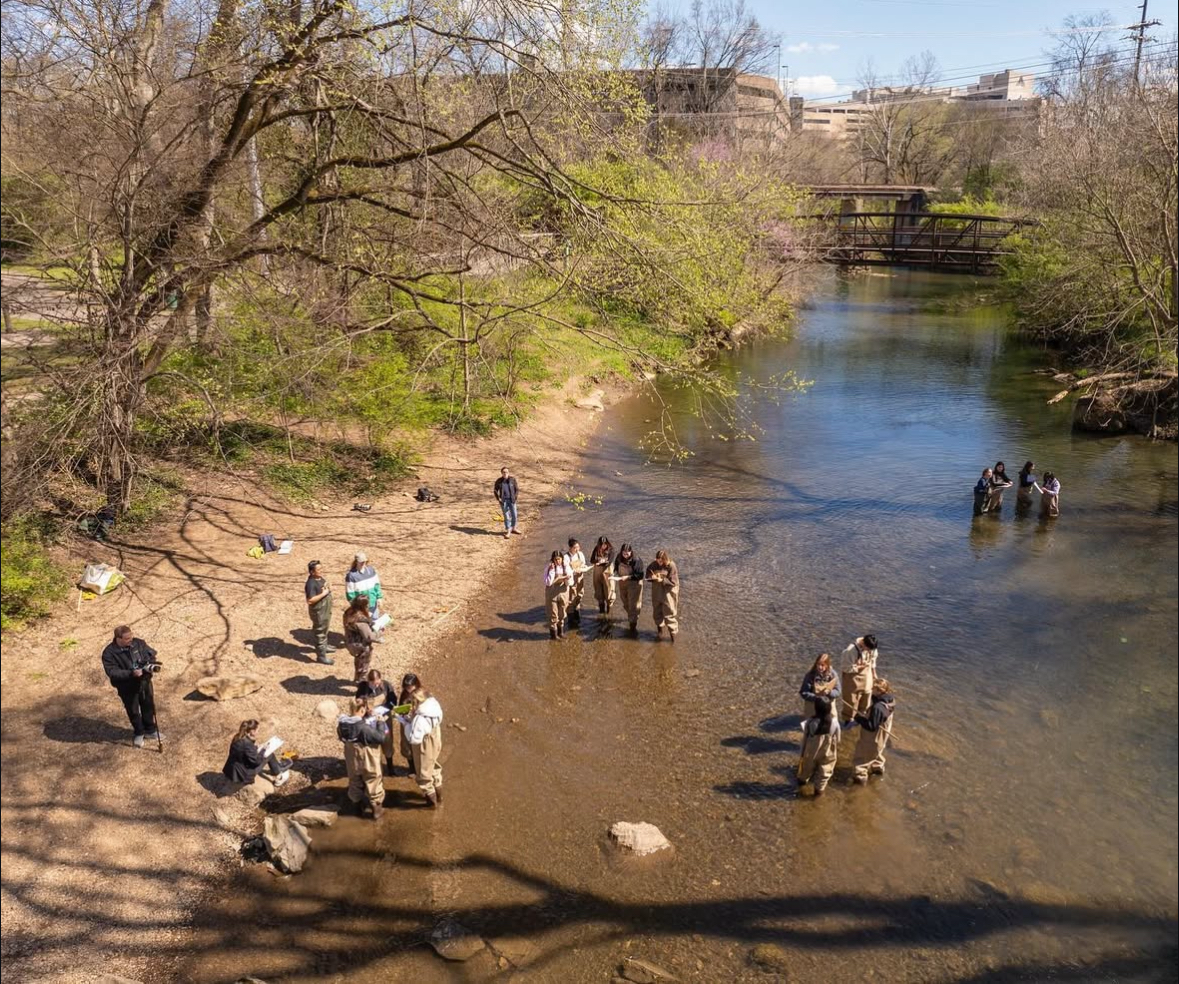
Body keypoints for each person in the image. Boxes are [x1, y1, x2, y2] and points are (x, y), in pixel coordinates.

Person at [101, 626, 163, 748]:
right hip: (127, 687)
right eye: (127, 638)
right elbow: (112, 672)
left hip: (144, 682)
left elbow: (151, 654)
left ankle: (150, 730)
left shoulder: (139, 643)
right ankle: (139, 733)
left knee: (148, 706)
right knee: (133, 710)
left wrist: (149, 663)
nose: (131, 640)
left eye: (131, 636)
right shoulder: (109, 653)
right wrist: (131, 673)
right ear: (118, 638)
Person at [338, 698, 388, 819]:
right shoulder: (363, 728)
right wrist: (380, 723)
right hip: (366, 755)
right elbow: (380, 738)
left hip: (351, 755)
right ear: (362, 709)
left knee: (354, 780)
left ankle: (356, 809)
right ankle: (376, 811)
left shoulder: (342, 724)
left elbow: (341, 737)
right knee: (373, 779)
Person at [396, 686, 445, 808]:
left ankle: (432, 804)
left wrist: (406, 722)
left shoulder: (420, 719)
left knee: (423, 775)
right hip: (435, 739)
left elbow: (413, 738)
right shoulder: (434, 705)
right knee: (434, 766)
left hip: (424, 745)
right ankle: (440, 797)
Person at [222, 719, 290, 787]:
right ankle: (277, 771)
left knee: (264, 753)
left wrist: (255, 748)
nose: (258, 732)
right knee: (270, 754)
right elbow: (257, 761)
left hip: (231, 769)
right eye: (257, 730)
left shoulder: (237, 737)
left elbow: (243, 751)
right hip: (244, 775)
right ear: (252, 731)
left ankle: (276, 768)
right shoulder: (247, 744)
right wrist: (263, 750)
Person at [852, 678, 895, 783]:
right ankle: (877, 769)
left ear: (879, 691)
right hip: (884, 732)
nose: (872, 690)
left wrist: (859, 718)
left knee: (863, 756)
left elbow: (871, 726)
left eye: (874, 689)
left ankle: (860, 778)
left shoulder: (878, 707)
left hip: (873, 735)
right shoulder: (890, 700)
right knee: (877, 751)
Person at [797, 696, 841, 797]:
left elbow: (805, 739)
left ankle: (803, 781)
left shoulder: (810, 722)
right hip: (828, 749)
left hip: (812, 748)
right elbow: (838, 738)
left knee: (807, 766)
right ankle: (819, 791)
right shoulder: (834, 722)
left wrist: (802, 753)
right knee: (826, 769)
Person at [356, 669, 396, 773]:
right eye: (373, 683)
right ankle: (376, 768)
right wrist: (366, 710)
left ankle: (390, 768)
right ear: (368, 681)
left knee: (387, 742)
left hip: (384, 718)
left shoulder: (386, 685)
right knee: (372, 744)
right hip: (369, 721)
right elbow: (358, 703)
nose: (375, 685)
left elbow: (393, 702)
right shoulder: (363, 688)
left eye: (377, 682)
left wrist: (383, 709)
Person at [840, 634, 878, 725]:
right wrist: (860, 667)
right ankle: (848, 721)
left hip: (867, 678)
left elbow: (873, 661)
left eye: (870, 650)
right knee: (850, 702)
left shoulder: (872, 648)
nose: (869, 651)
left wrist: (874, 674)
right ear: (863, 643)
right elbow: (845, 668)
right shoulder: (850, 651)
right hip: (852, 679)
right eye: (868, 649)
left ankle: (861, 719)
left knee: (866, 700)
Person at [345, 552, 385, 640]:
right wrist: (356, 606)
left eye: (364, 561)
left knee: (374, 619)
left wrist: (379, 597)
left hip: (372, 602)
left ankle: (376, 636)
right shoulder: (351, 576)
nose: (363, 563)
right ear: (356, 562)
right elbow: (350, 593)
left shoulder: (371, 570)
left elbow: (377, 585)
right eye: (361, 562)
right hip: (361, 606)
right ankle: (363, 637)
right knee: (363, 622)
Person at [645, 550, 680, 641]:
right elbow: (648, 573)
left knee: (669, 613)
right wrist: (651, 577)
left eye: (661, 561)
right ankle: (660, 632)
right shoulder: (654, 564)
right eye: (657, 560)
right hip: (657, 591)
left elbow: (674, 582)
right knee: (657, 611)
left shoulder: (671, 566)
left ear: (665, 559)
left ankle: (673, 637)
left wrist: (663, 580)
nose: (659, 562)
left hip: (668, 592)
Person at [305, 560, 334, 665]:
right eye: (319, 569)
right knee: (320, 631)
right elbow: (310, 600)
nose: (321, 571)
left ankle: (324, 646)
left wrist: (327, 587)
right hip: (319, 612)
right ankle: (321, 656)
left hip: (324, 609)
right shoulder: (311, 584)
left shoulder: (319, 578)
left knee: (325, 628)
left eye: (321, 568)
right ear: (312, 572)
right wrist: (324, 593)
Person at [342, 596, 376, 681]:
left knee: (358, 661)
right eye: (367, 605)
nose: (368, 606)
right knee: (364, 665)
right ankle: (361, 685)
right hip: (360, 645)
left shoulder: (349, 612)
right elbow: (369, 636)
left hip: (350, 641)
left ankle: (357, 678)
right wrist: (379, 633)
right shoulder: (360, 620)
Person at [613, 543, 644, 633]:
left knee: (633, 604)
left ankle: (632, 627)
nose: (626, 555)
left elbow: (640, 575)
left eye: (627, 553)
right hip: (622, 582)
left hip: (634, 583)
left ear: (631, 552)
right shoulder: (619, 558)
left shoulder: (636, 560)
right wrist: (613, 574)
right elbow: (616, 567)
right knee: (624, 601)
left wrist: (628, 577)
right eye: (624, 553)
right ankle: (631, 616)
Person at [799, 653, 841, 719]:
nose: (820, 667)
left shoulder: (833, 675)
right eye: (818, 664)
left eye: (822, 665)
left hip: (828, 705)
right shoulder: (810, 675)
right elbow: (803, 692)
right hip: (813, 705)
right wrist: (816, 698)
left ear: (827, 665)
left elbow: (838, 691)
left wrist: (829, 692)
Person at [396, 673, 422, 776]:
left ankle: (419, 769)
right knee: (406, 746)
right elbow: (400, 707)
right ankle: (412, 769)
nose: (409, 689)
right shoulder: (404, 694)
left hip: (417, 723)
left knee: (419, 746)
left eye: (410, 687)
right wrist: (400, 713)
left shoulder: (421, 694)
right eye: (406, 687)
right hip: (406, 723)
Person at [544, 550, 573, 640]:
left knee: (562, 614)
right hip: (552, 593)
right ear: (552, 560)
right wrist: (552, 571)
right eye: (555, 559)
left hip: (563, 592)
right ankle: (553, 635)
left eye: (559, 559)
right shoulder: (548, 568)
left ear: (562, 559)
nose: (557, 561)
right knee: (553, 614)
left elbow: (570, 583)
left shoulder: (566, 567)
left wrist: (566, 578)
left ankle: (561, 633)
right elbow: (548, 582)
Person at [565, 538, 588, 627]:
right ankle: (571, 620)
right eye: (575, 547)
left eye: (578, 547)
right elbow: (566, 570)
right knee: (571, 598)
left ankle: (577, 616)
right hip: (572, 579)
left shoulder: (580, 554)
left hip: (580, 577)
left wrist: (584, 567)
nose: (577, 549)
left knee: (580, 595)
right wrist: (574, 571)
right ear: (570, 548)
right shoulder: (566, 557)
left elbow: (583, 564)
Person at [590, 536, 615, 614]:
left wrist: (604, 562)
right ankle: (601, 610)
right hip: (597, 571)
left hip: (607, 571)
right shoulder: (596, 549)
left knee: (609, 591)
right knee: (598, 591)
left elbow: (610, 561)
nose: (603, 546)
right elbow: (591, 560)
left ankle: (608, 611)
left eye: (605, 544)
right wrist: (597, 560)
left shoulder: (611, 550)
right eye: (601, 544)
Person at [493, 466, 521, 539]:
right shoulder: (499, 481)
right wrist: (498, 499)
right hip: (504, 501)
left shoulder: (512, 480)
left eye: (506, 472)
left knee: (514, 515)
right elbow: (495, 490)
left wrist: (515, 497)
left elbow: (517, 489)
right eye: (504, 472)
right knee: (506, 516)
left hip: (512, 500)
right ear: (501, 473)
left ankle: (514, 528)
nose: (505, 473)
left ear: (508, 473)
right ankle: (508, 531)